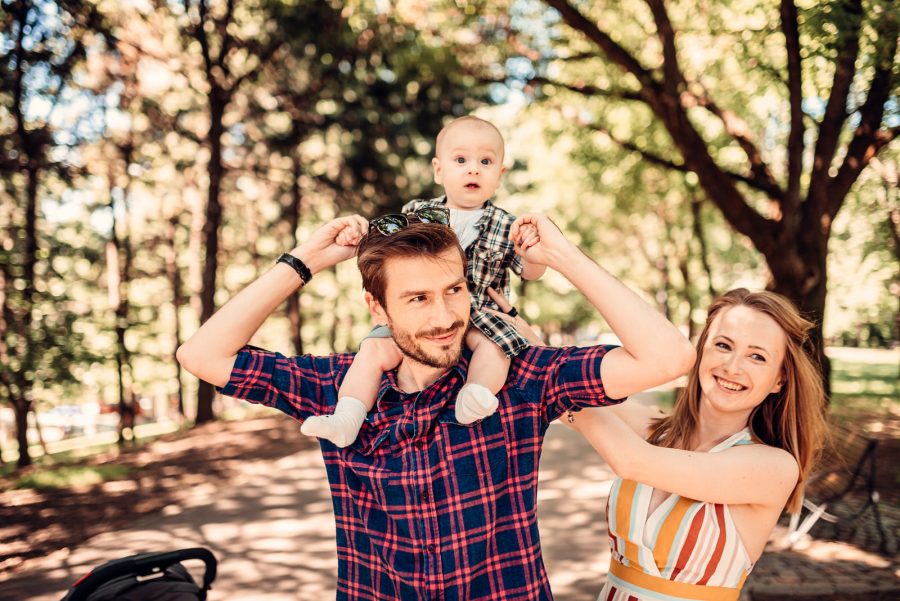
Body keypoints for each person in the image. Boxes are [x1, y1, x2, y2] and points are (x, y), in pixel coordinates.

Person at [176, 211, 695, 600]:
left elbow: (667, 356)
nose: (446, 316)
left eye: (455, 289)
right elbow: (202, 354)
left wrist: (562, 256)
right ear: (376, 307)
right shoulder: (341, 388)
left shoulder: (518, 379)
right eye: (418, 298)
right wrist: (304, 261)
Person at [565, 288, 827, 601]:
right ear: (701, 351)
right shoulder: (658, 431)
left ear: (779, 380)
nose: (732, 366)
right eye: (723, 345)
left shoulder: (774, 467)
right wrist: (509, 322)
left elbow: (631, 460)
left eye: (757, 356)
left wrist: (560, 395)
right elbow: (556, 367)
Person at [301, 115, 546, 448]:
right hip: (423, 309)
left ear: (500, 174)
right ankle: (347, 416)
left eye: (486, 161)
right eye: (460, 160)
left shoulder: (507, 224)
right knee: (374, 348)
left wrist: (530, 252)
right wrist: (357, 235)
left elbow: (530, 272)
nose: (473, 169)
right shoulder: (419, 212)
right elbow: (391, 253)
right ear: (438, 169)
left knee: (496, 349)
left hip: (481, 313)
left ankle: (474, 396)